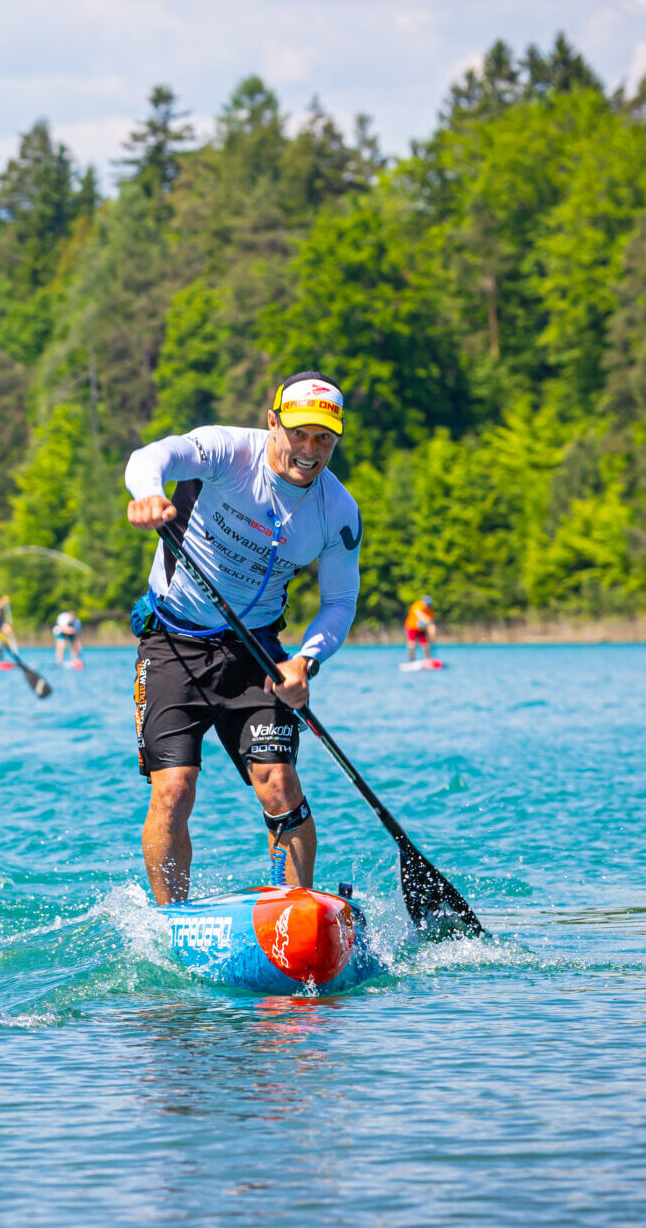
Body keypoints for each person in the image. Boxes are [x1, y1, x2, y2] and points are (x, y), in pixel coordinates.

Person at [122, 371, 361, 900]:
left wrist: (306, 661)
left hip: (255, 653)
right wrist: (148, 494)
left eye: (324, 438)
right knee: (173, 791)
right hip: (171, 644)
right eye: (299, 433)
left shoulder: (337, 510)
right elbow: (149, 456)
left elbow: (340, 602)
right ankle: (172, 923)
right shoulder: (228, 451)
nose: (310, 450)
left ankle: (295, 916)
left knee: (278, 784)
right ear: (272, 421)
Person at [406, 595, 438, 662]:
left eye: (428, 603)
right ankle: (411, 660)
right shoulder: (418, 604)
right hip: (412, 627)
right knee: (412, 644)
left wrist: (432, 634)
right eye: (426, 603)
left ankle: (428, 660)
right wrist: (426, 620)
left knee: (425, 644)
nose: (427, 605)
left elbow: (432, 623)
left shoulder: (430, 610)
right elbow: (418, 613)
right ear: (423, 602)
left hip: (421, 629)